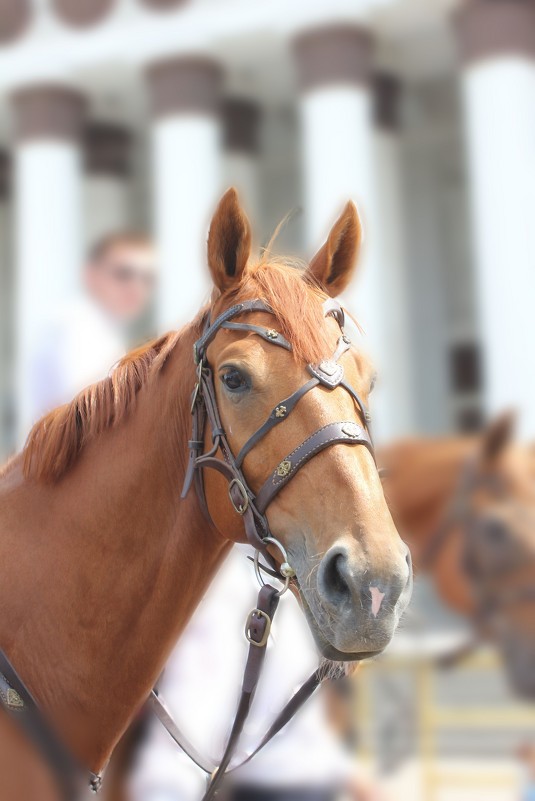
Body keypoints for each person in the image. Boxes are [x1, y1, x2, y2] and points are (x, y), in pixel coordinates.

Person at [126, 546, 386, 801]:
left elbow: (304, 716)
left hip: (301, 775)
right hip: (255, 780)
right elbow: (186, 726)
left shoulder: (295, 580)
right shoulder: (232, 584)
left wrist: (346, 771)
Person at [25, 231, 156, 436]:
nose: (136, 287)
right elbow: (82, 418)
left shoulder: (103, 330)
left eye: (147, 279)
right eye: (123, 274)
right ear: (91, 275)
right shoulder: (76, 328)